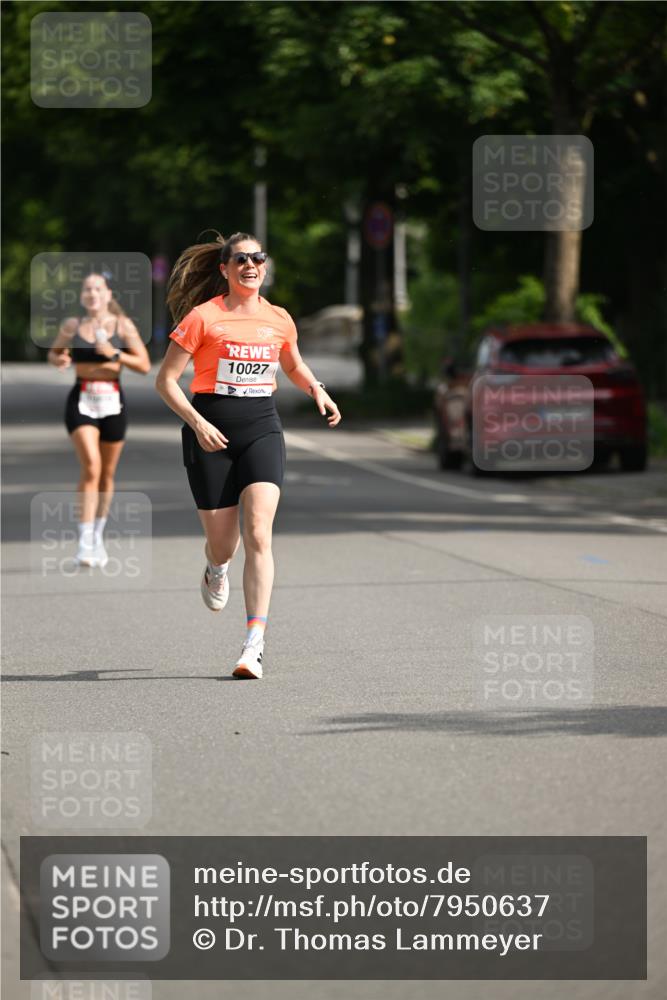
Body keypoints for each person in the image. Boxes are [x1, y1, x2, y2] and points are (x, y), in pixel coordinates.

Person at [156, 232, 341, 679]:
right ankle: (216, 567)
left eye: (257, 257)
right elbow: (165, 381)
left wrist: (316, 389)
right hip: (210, 433)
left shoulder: (278, 319)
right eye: (240, 259)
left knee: (258, 532)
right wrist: (197, 424)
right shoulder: (203, 318)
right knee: (225, 543)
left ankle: (253, 644)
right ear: (224, 269)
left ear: (264, 265)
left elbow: (292, 363)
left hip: (262, 428)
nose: (250, 264)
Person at [47, 271, 151, 567]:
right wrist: (61, 359)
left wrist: (116, 354)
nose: (92, 294)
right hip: (82, 399)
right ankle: (83, 539)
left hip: (113, 401)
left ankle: (97, 536)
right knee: (91, 466)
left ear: (108, 295)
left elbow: (143, 365)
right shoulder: (73, 325)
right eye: (87, 289)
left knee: (106, 474)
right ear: (82, 297)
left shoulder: (123, 326)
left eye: (98, 289)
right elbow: (55, 354)